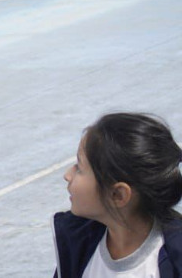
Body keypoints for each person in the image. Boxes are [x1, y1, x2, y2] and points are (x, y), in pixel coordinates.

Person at [54, 113, 182, 278]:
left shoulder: (170, 264)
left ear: (118, 195)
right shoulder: (79, 244)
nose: (67, 175)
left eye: (79, 168)